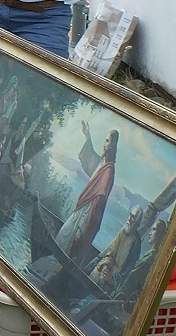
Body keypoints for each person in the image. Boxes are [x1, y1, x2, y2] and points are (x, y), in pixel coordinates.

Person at [55, 121, 119, 267]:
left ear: (113, 146)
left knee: (67, 238)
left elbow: (98, 200)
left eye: (108, 141)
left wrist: (83, 227)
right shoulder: (103, 163)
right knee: (64, 237)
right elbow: (92, 161)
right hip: (82, 209)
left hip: (86, 214)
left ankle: (58, 268)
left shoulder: (109, 170)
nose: (105, 144)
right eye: (105, 140)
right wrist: (87, 136)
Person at [90, 205, 144, 288]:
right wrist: (105, 268)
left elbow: (127, 271)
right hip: (106, 268)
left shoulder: (136, 244)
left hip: (114, 279)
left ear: (138, 223)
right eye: (130, 215)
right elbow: (111, 253)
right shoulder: (123, 231)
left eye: (133, 217)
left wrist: (112, 279)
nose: (129, 219)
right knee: (95, 275)